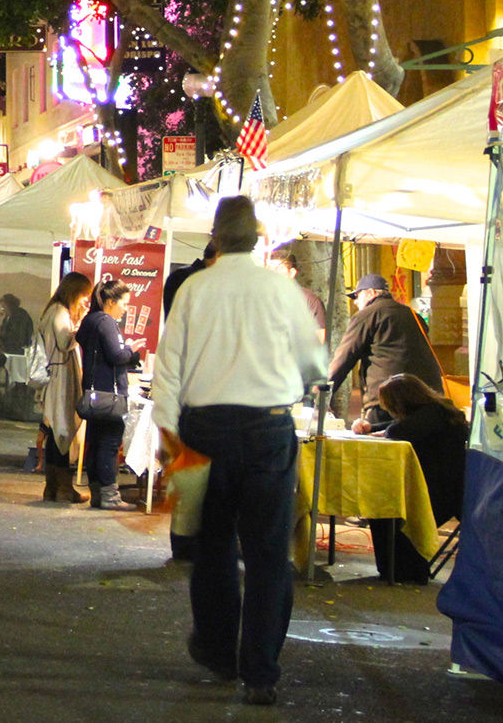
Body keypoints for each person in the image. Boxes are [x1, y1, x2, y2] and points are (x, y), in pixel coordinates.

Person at [152, 196, 327, 707]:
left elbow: (170, 369)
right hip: (268, 429)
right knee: (269, 553)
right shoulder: (281, 289)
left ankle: (218, 651)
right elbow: (313, 365)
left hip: (204, 429)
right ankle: (261, 671)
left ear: (216, 236)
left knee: (212, 549)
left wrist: (167, 437)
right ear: (257, 237)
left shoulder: (193, 290)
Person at [358, 373, 466, 583]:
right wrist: (372, 428)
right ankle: (397, 569)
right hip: (441, 487)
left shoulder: (433, 414)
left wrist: (378, 430)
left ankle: (405, 570)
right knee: (383, 505)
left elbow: (397, 430)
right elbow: (396, 426)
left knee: (387, 507)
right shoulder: (437, 410)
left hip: (443, 494)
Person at [330, 273, 444, 426]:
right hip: (427, 398)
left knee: (384, 444)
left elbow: (344, 359)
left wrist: (321, 393)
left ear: (371, 293)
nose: (356, 302)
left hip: (388, 401)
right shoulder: (413, 314)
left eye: (357, 296)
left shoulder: (367, 315)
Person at [76, 280, 139, 510]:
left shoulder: (90, 321)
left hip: (93, 394)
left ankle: (97, 494)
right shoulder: (107, 322)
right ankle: (110, 497)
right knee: (109, 444)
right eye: (124, 303)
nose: (125, 308)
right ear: (111, 302)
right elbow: (116, 355)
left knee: (96, 441)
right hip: (110, 395)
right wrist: (131, 350)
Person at [36, 272, 92, 505]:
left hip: (57, 375)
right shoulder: (59, 312)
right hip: (61, 377)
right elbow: (64, 342)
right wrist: (82, 327)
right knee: (62, 431)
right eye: (84, 296)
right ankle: (64, 488)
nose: (85, 301)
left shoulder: (54, 310)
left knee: (56, 433)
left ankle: (53, 487)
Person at [268, 243, 327, 344]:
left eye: (278, 269)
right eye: (269, 270)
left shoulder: (310, 301)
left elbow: (320, 338)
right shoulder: (262, 298)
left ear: (292, 273)